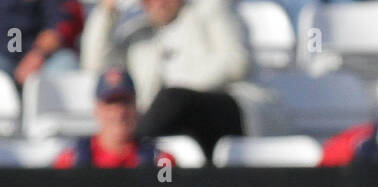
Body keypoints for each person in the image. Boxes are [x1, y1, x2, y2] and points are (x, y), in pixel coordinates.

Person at [81, 0, 251, 159]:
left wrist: (178, 91)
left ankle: (127, 155)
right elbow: (97, 66)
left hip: (222, 110)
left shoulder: (210, 11)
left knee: (172, 100)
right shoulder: (137, 33)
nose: (159, 3)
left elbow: (236, 62)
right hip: (166, 122)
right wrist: (107, 11)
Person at [53, 69, 176, 169]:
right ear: (97, 110)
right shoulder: (71, 161)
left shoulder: (162, 162)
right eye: (110, 103)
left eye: (125, 103)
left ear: (136, 107)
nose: (119, 112)